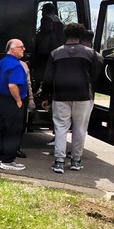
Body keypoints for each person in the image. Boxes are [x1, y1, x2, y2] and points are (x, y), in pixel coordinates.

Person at [42, 23, 103, 173]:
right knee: (80, 128)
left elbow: (48, 77)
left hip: (60, 95)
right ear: (81, 36)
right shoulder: (91, 53)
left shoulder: (55, 53)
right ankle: (76, 160)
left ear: (65, 35)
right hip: (83, 95)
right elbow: (97, 72)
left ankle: (59, 161)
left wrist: (46, 96)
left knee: (61, 127)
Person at [0, 39, 29, 171]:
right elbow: (12, 85)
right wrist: (19, 100)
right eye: (21, 47)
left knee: (2, 128)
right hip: (11, 100)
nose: (23, 49)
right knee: (13, 131)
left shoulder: (1, 63)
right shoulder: (16, 65)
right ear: (12, 49)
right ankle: (8, 161)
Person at [33, 3, 65, 79]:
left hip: (46, 48)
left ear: (45, 10)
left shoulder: (46, 19)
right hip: (57, 47)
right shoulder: (59, 20)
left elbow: (46, 30)